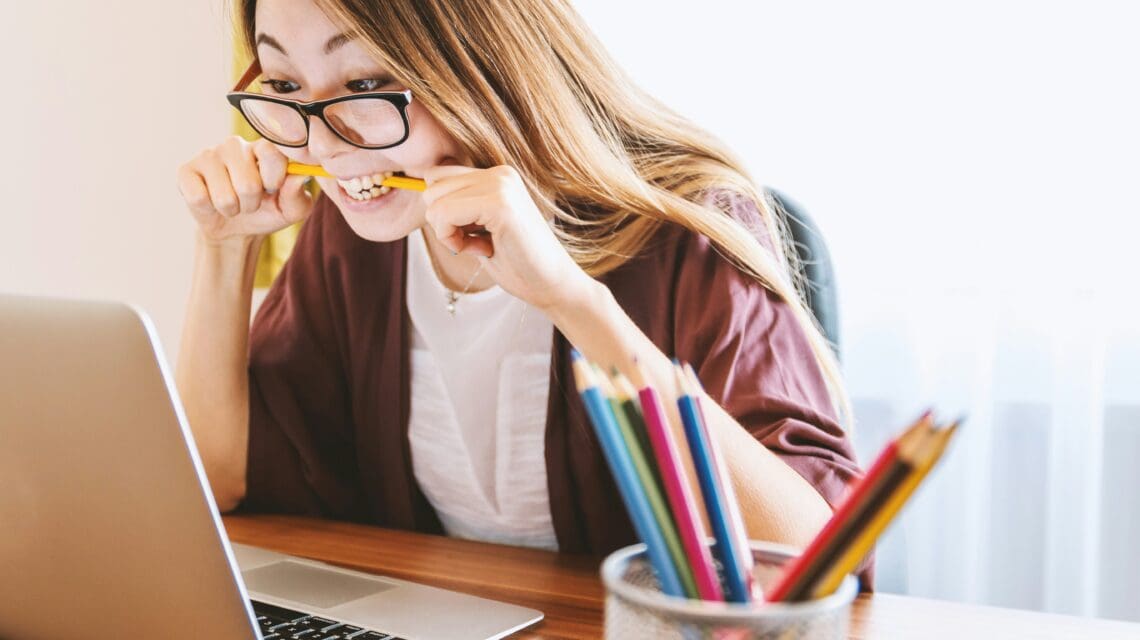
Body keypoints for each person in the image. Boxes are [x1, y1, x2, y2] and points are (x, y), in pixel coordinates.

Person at [175, 0, 865, 579]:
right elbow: (220, 478)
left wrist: (572, 299)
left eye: (364, 84)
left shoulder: (687, 230)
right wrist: (225, 249)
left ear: (482, 64)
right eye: (289, 87)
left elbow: (811, 559)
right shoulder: (353, 237)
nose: (324, 146)